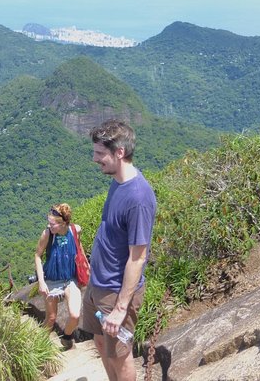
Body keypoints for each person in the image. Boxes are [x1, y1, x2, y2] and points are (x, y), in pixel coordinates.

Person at [82, 119, 157, 381]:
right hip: (98, 284)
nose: (95, 159)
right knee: (102, 344)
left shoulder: (138, 198)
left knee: (120, 354)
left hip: (116, 292)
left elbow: (138, 257)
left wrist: (120, 308)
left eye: (100, 153)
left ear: (120, 152)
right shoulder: (117, 182)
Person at [33, 203, 84, 350]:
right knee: (51, 318)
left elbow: (79, 249)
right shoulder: (47, 234)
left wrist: (84, 270)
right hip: (51, 279)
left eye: (52, 224)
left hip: (69, 279)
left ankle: (66, 336)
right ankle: (38, 348)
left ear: (63, 223)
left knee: (75, 315)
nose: (49, 226)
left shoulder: (75, 230)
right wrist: (41, 282)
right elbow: (37, 256)